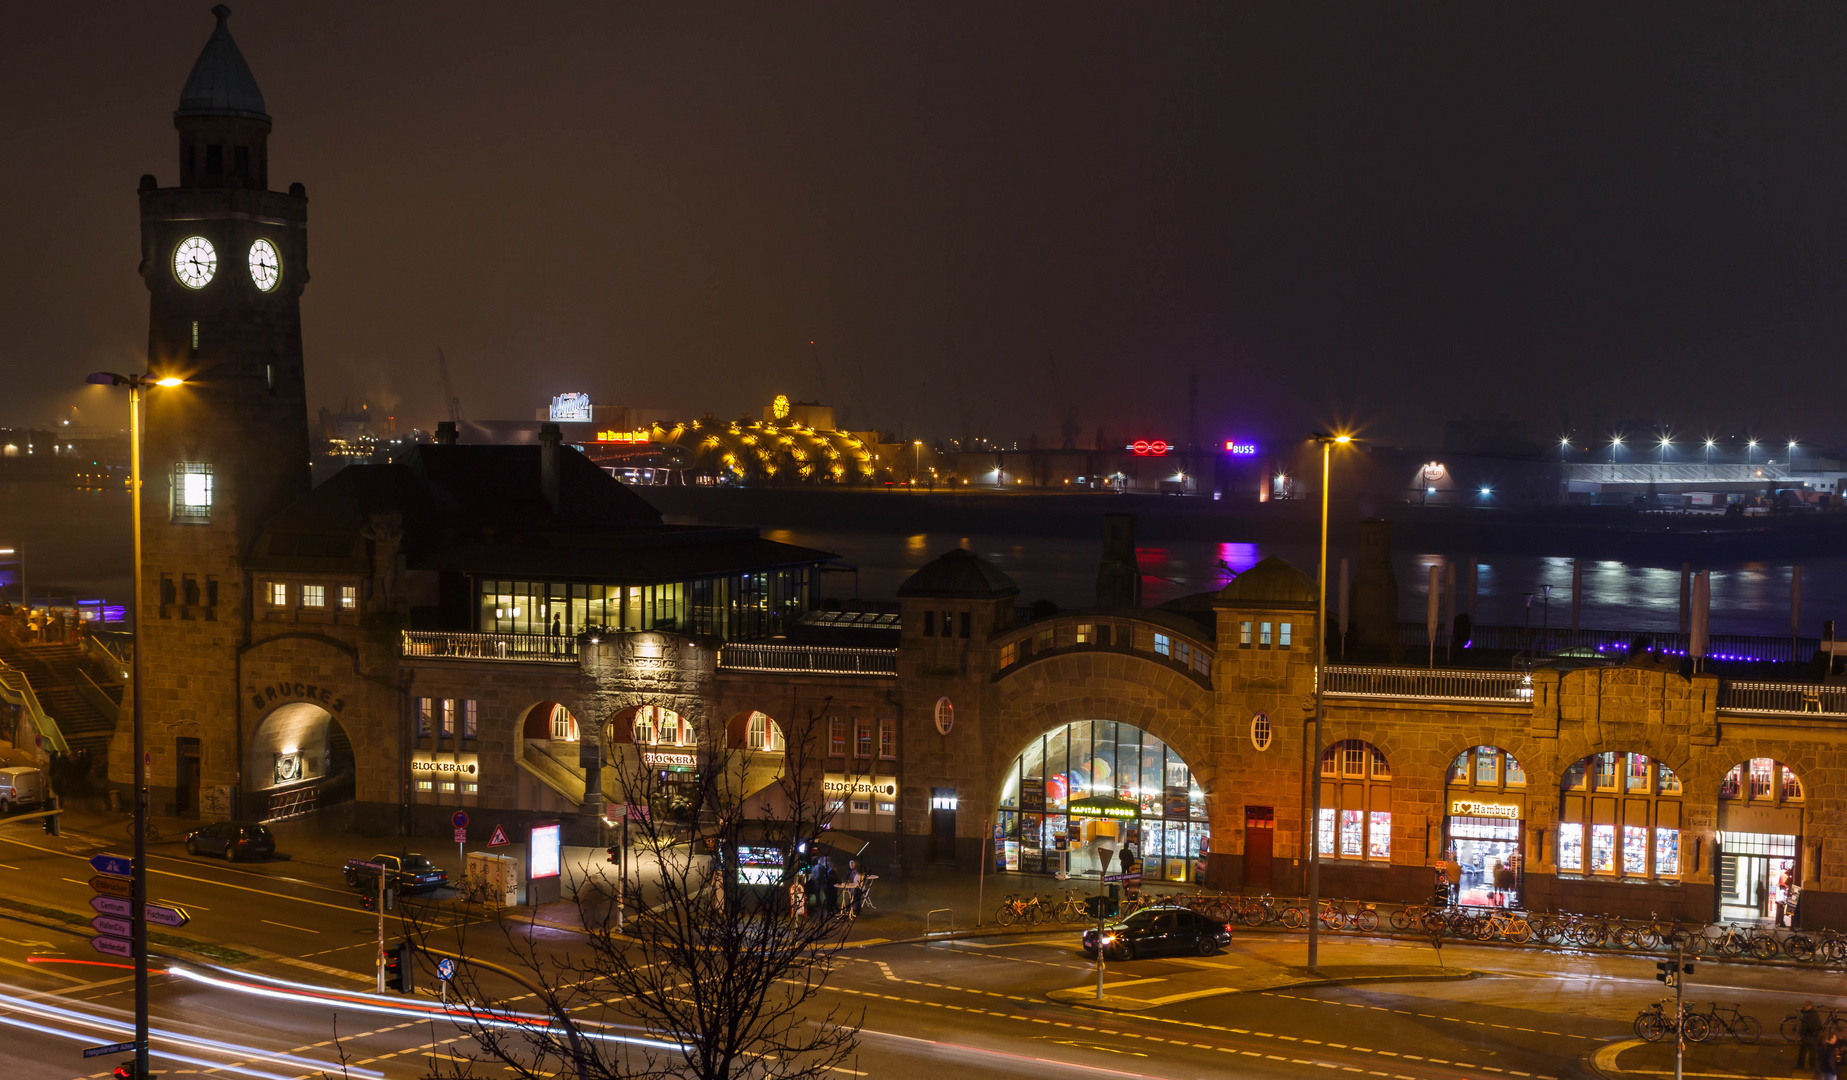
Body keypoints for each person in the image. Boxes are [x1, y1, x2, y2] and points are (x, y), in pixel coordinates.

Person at [1798, 1003, 1823, 1071]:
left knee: (1810, 1052)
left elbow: (1814, 1026)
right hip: (1808, 1036)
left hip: (1810, 1036)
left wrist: (1806, 1028)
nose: (1804, 1007)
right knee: (1803, 1051)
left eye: (1806, 1006)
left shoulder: (1812, 1015)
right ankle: (1802, 1066)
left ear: (1810, 1006)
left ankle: (1810, 1067)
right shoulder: (1810, 1013)